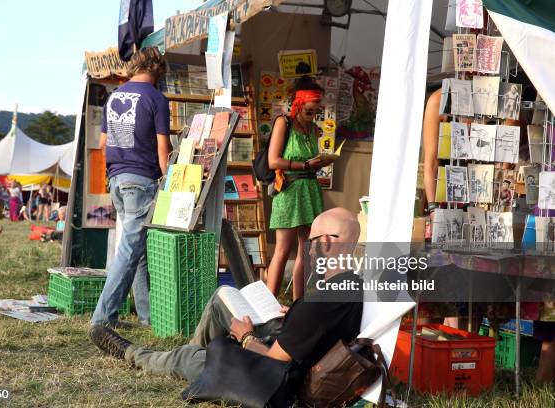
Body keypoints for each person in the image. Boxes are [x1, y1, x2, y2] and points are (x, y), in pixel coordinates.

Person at [88, 208, 363, 390]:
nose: (309, 250)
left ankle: (133, 354)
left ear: (325, 242)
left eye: (311, 241)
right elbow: (318, 326)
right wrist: (294, 314)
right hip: (298, 350)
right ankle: (197, 354)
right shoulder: (351, 285)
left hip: (275, 379)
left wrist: (245, 338)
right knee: (223, 297)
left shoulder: (319, 305)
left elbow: (274, 360)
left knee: (189, 358)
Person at [91, 47, 171, 328]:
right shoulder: (157, 99)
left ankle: (147, 317)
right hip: (141, 180)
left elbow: (102, 144)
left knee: (135, 248)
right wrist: (171, 182)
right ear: (156, 68)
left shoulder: (113, 97)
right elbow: (163, 150)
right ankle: (102, 318)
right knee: (129, 250)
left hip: (117, 178)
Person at [266, 77, 333, 300]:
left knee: (307, 252)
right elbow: (273, 161)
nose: (313, 116)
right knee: (283, 250)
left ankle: (297, 304)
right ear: (298, 104)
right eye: (309, 111)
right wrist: (304, 164)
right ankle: (267, 306)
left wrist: (321, 162)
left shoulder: (314, 130)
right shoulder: (283, 123)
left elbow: (310, 160)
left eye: (316, 111)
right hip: (289, 190)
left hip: (310, 190)